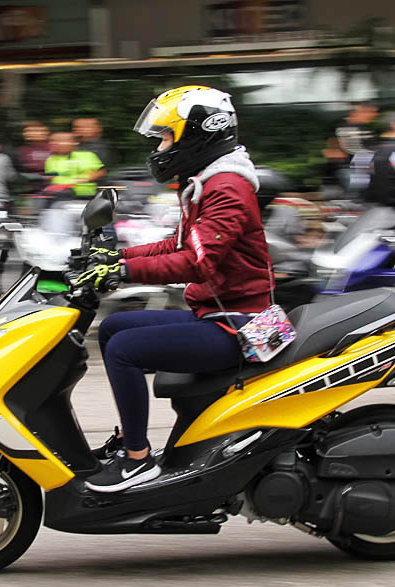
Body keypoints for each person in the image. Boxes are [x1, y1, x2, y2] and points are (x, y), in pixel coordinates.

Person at [73, 85, 272, 492]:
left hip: (237, 323)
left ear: (199, 133)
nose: (160, 147)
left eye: (165, 137)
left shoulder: (226, 188)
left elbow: (196, 263)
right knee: (112, 330)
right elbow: (178, 244)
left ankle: (137, 459)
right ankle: (132, 444)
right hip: (213, 312)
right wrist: (118, 258)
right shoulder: (206, 182)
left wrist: (122, 275)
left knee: (122, 350)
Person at [43, 132, 104, 198]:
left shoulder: (86, 155)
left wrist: (77, 181)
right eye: (51, 141)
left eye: (58, 141)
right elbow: (52, 177)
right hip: (58, 194)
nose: (53, 144)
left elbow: (98, 173)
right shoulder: (50, 159)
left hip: (83, 195)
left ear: (70, 142)